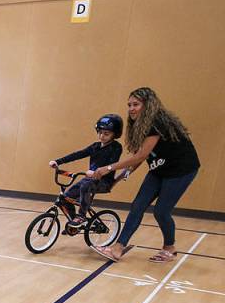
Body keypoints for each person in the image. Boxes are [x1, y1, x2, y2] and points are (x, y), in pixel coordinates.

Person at [89, 87, 201, 262]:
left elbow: (140, 156)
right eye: (129, 105)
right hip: (160, 169)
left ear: (148, 104)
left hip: (181, 169)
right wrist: (119, 178)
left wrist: (108, 168)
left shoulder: (157, 122)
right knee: (137, 206)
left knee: (161, 211)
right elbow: (142, 156)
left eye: (136, 104)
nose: (131, 108)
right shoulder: (140, 125)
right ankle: (117, 249)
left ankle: (169, 248)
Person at [48, 114, 123, 234]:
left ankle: (81, 217)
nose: (102, 136)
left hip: (104, 182)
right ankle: (75, 225)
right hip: (89, 180)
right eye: (100, 132)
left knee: (85, 186)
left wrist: (96, 172)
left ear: (115, 134)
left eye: (106, 134)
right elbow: (78, 154)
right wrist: (58, 161)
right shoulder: (95, 146)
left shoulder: (116, 148)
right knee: (65, 198)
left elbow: (112, 163)